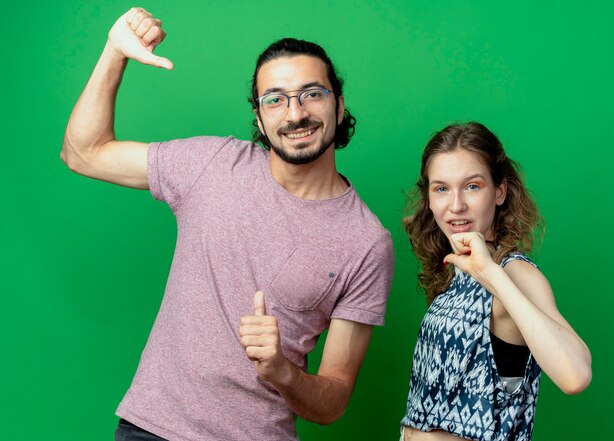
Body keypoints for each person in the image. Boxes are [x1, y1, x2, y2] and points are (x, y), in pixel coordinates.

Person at [61, 7, 394, 441]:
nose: (295, 114)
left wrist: (282, 372)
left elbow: (333, 403)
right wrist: (114, 53)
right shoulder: (213, 165)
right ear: (259, 118)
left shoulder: (367, 243)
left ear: (339, 103)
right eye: (275, 99)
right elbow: (83, 152)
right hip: (151, 428)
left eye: (312, 93)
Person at [399, 122, 591, 440]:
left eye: (472, 186)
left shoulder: (512, 272)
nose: (456, 205)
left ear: (499, 191)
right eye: (441, 188)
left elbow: (575, 375)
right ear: (429, 199)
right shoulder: (458, 275)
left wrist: (491, 275)